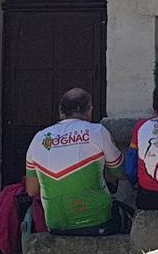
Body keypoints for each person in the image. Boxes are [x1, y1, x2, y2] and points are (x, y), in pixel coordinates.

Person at [24, 87, 128, 234]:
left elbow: (31, 190)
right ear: (89, 110)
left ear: (61, 111)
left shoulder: (38, 138)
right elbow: (120, 173)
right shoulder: (98, 131)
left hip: (56, 225)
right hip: (98, 222)